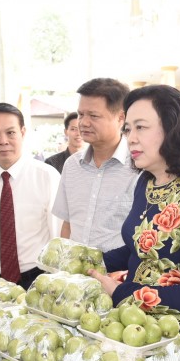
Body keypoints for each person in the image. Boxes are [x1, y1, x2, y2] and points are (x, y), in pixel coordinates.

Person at [89, 84, 180, 361]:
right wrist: (95, 263)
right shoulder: (147, 183)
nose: (131, 138)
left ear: (172, 129)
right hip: (138, 326)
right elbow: (139, 247)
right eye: (127, 129)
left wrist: (122, 292)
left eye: (141, 127)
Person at [0, 103, 60, 290]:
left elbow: (58, 236)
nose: (3, 141)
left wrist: (56, 283)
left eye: (10, 132)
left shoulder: (47, 176)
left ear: (23, 132)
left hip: (38, 281)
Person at [53, 78, 138, 251]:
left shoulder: (138, 168)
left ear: (121, 118)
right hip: (74, 275)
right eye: (80, 114)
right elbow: (68, 225)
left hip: (118, 275)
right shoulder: (72, 165)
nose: (83, 123)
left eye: (93, 115)